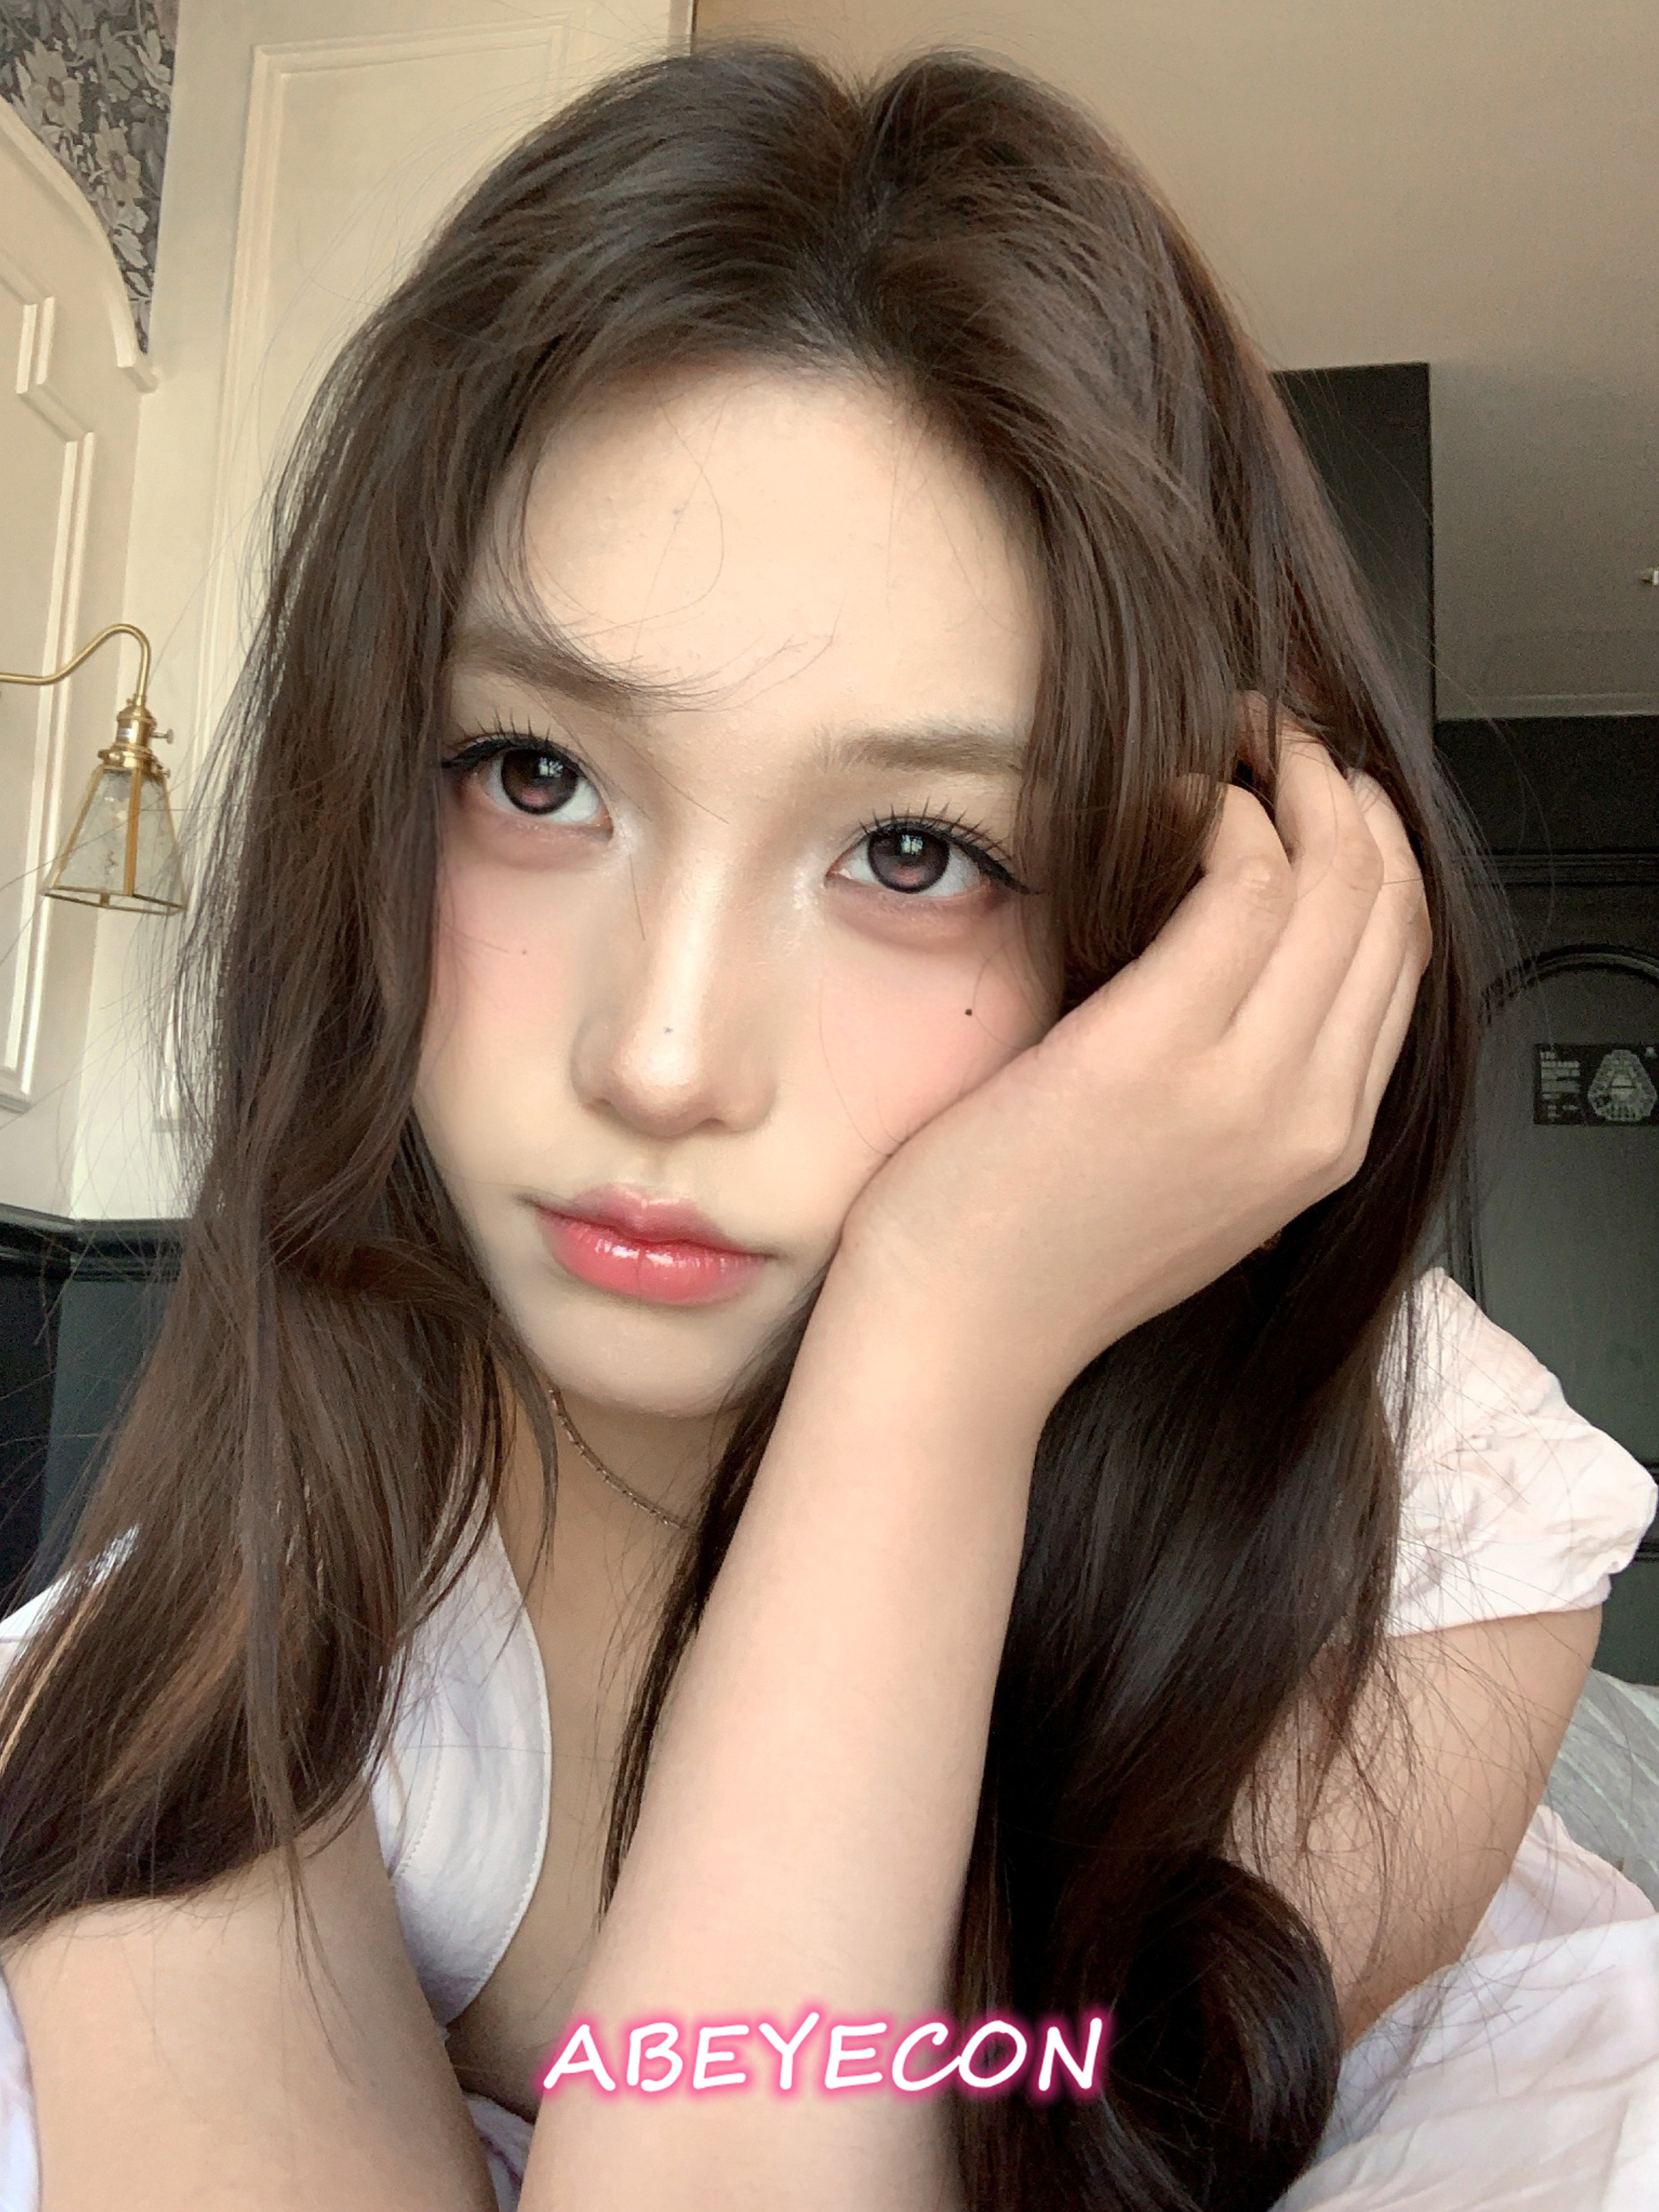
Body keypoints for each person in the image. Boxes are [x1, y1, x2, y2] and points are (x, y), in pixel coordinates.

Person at [0, 41, 1654, 2212]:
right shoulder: (198, 1646)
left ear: (1191, 916)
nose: (664, 1056)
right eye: (533, 775)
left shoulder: (1422, 1542)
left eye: (913, 849)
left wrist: (931, 1353)